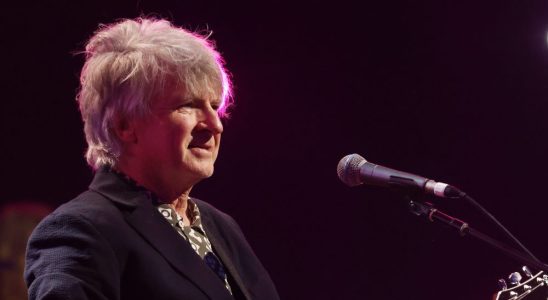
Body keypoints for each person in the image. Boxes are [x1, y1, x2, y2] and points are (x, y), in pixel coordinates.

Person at [24, 17, 280, 300]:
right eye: (188, 105)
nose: (214, 124)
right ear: (125, 126)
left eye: (214, 107)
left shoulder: (220, 225)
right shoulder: (81, 229)